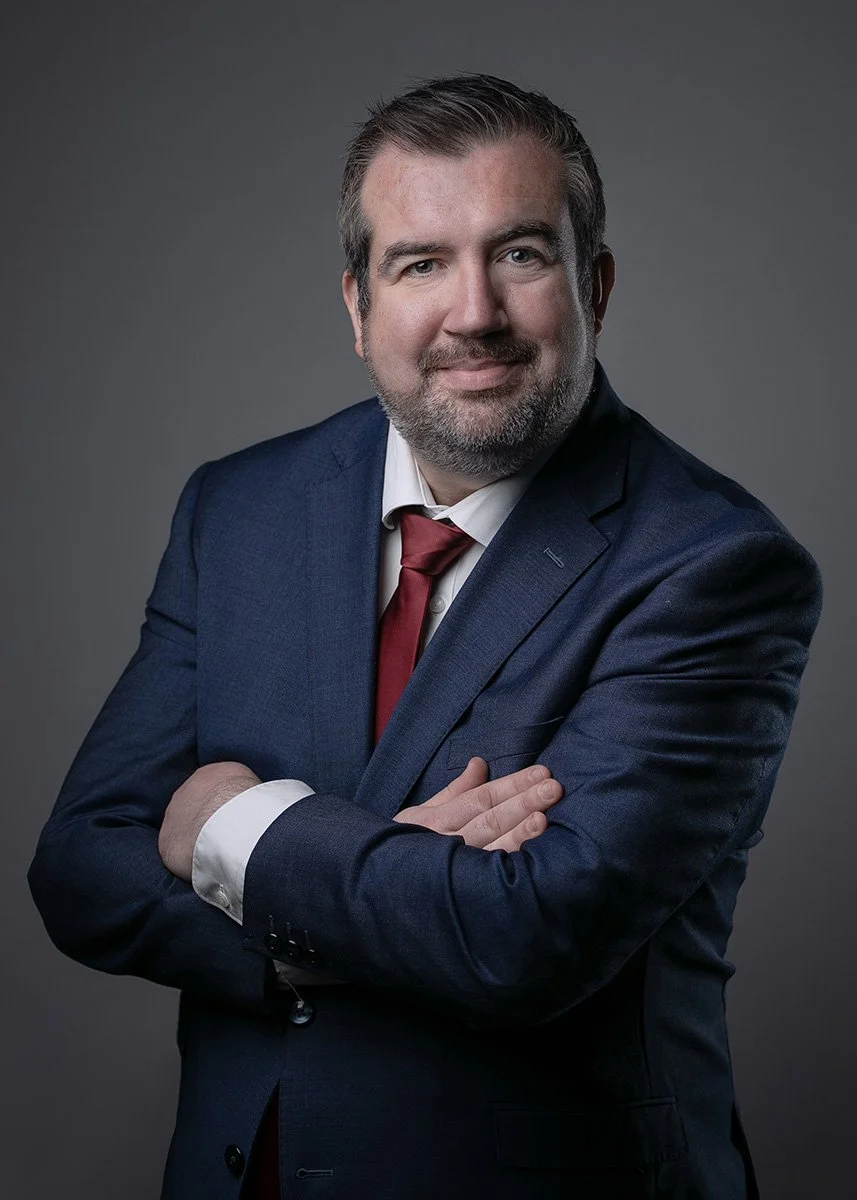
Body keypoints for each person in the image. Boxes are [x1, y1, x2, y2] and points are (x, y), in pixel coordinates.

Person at [29, 74, 822, 1199]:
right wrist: (324, 928)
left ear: (594, 284)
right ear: (356, 308)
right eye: (418, 264)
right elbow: (79, 868)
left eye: (519, 255)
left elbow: (527, 939)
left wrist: (231, 825)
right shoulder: (239, 509)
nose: (472, 315)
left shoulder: (712, 567)